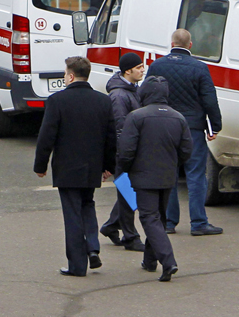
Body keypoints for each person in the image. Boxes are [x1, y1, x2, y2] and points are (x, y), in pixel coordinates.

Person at [33, 56, 116, 278]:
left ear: (70, 76)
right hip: (92, 167)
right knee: (87, 205)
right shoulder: (103, 101)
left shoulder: (57, 101)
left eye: (64, 74)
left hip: (67, 168)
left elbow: (46, 136)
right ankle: (93, 247)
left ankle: (77, 265)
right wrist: (109, 166)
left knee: (72, 214)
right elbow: (110, 138)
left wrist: (41, 165)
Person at [116, 76, 194, 282]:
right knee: (158, 218)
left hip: (143, 176)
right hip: (167, 175)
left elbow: (126, 150)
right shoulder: (178, 117)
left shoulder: (136, 117)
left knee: (149, 218)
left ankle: (168, 261)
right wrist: (173, 164)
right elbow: (187, 149)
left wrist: (125, 170)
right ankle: (149, 261)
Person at [145, 27, 222, 236]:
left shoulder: (157, 66)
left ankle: (169, 222)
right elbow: (209, 99)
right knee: (196, 174)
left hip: (163, 126)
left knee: (169, 173)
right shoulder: (199, 67)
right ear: (190, 45)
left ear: (172, 44)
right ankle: (198, 222)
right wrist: (215, 125)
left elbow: (146, 94)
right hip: (192, 127)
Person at [100, 52, 145, 253]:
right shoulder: (119, 96)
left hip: (131, 150)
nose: (142, 70)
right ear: (128, 71)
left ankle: (111, 226)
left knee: (129, 192)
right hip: (125, 152)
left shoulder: (132, 89)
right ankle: (130, 237)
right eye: (139, 67)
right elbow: (120, 129)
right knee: (128, 193)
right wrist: (124, 154)